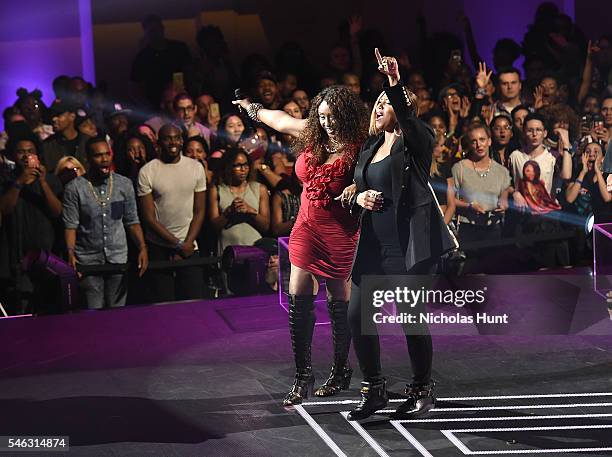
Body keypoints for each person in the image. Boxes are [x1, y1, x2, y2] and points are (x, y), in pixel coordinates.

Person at [234, 84, 368, 405]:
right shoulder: (312, 133)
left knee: (339, 301)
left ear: (346, 115)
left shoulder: (361, 144)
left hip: (340, 231)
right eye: (321, 117)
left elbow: (378, 173)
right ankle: (303, 376)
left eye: (332, 117)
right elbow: (279, 120)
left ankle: (339, 370)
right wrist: (251, 108)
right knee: (299, 298)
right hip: (306, 228)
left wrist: (357, 185)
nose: (327, 123)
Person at [345, 50, 457, 421]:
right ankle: (374, 388)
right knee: (357, 315)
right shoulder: (370, 146)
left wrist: (393, 82)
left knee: (411, 318)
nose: (378, 107)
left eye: (386, 102)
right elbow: (356, 188)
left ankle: (422, 389)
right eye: (375, 102)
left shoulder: (417, 141)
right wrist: (359, 195)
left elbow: (407, 118)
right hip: (373, 248)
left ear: (403, 107)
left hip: (408, 247)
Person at [63, 137, 148, 309]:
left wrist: (142, 247)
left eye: (107, 154)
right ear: (87, 159)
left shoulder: (124, 184)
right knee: (93, 310)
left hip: (117, 258)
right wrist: (70, 253)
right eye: (98, 155)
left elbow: (132, 220)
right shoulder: (75, 188)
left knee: (117, 311)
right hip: (88, 259)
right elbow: (71, 225)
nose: (105, 159)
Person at [137, 124, 206, 303]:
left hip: (189, 246)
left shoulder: (195, 167)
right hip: (159, 246)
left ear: (182, 140)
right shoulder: (147, 171)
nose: (173, 142)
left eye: (176, 138)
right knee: (163, 304)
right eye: (168, 138)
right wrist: (177, 244)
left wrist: (187, 243)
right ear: (159, 142)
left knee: (193, 303)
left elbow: (199, 211)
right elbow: (149, 218)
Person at [0, 134, 63, 314]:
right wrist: (20, 181)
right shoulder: (7, 180)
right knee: (22, 309)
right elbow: (4, 209)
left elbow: (58, 212)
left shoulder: (50, 179)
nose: (26, 156)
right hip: (17, 257)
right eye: (21, 152)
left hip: (46, 256)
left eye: (30, 152)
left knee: (48, 309)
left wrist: (42, 182)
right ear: (13, 155)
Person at [208, 148, 270, 253]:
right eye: (238, 165)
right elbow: (213, 227)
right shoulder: (217, 190)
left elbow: (266, 226)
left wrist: (250, 211)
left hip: (253, 249)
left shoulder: (259, 189)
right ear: (228, 166)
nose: (243, 169)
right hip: (228, 250)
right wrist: (229, 212)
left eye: (246, 165)